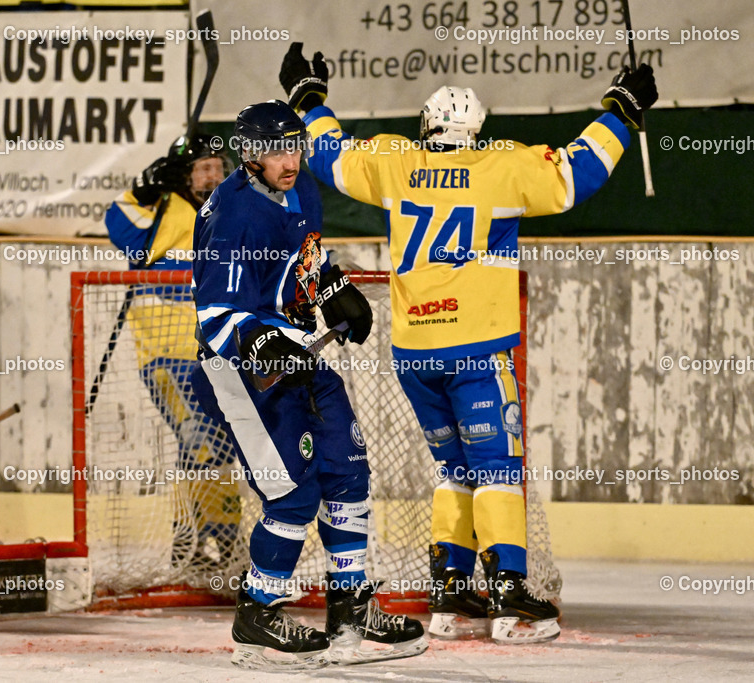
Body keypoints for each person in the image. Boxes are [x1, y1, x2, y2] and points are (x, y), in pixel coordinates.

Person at [279, 42, 658, 643]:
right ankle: (509, 600)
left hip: (413, 353)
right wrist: (622, 108)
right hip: (477, 349)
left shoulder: (394, 161)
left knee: (452, 468)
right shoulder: (501, 165)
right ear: (475, 130)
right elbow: (573, 177)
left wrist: (307, 97)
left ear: (426, 127)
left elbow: (331, 155)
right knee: (497, 468)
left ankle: (452, 596)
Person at [189, 100, 427, 669]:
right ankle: (258, 611)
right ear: (249, 154)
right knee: (293, 493)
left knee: (347, 469)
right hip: (244, 371)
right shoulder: (231, 216)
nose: (287, 159)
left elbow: (306, 258)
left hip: (297, 354)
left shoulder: (302, 187)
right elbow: (215, 315)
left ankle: (350, 605)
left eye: (294, 145)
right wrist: (261, 342)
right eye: (274, 150)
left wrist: (331, 287)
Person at [104, 135, 243, 571]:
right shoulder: (163, 210)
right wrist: (147, 188)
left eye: (219, 167)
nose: (214, 174)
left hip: (218, 355)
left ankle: (214, 540)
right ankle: (197, 538)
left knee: (221, 443)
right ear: (185, 174)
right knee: (200, 436)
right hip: (164, 355)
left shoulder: (230, 215)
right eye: (204, 167)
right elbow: (117, 224)